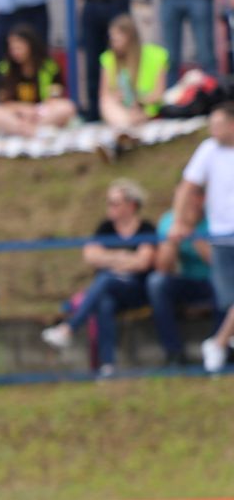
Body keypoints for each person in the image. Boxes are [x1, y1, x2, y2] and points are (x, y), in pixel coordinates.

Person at [40, 180, 158, 375]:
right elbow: (90, 256)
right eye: (108, 202)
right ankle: (108, 366)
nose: (109, 207)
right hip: (112, 290)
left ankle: (69, 328)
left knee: (106, 279)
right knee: (104, 302)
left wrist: (108, 259)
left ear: (131, 205)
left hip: (136, 289)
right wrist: (122, 257)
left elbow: (143, 262)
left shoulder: (145, 228)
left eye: (114, 203)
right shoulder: (105, 227)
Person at [170, 103, 234, 368]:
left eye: (218, 125)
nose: (213, 131)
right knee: (227, 298)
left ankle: (218, 343)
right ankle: (222, 343)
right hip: (221, 236)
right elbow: (187, 186)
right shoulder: (208, 150)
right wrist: (178, 221)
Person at [148, 204, 217, 367]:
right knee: (156, 283)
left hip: (214, 281)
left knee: (224, 286)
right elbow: (162, 267)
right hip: (186, 281)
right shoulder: (169, 220)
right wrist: (172, 241)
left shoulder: (216, 219)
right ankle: (174, 354)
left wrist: (193, 235)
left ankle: (220, 348)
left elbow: (220, 264)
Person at [71, 0, 134, 117]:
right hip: (92, 3)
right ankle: (94, 113)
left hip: (117, 1)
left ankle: (125, 106)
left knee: (121, 56)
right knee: (92, 60)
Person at [0, 26, 77, 135]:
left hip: (41, 112)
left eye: (19, 47)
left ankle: (26, 130)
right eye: (13, 48)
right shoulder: (5, 68)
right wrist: (23, 109)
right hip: (15, 114)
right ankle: (28, 130)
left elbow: (55, 97)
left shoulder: (49, 67)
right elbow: (4, 101)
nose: (16, 52)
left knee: (67, 107)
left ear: (30, 45)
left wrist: (35, 111)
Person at [98, 15, 170, 133]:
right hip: (120, 110)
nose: (113, 44)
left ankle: (126, 129)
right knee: (108, 103)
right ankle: (126, 127)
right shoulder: (109, 59)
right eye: (112, 39)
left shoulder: (156, 56)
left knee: (130, 114)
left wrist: (138, 100)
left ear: (129, 38)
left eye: (117, 39)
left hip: (145, 110)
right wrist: (117, 97)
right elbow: (105, 95)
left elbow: (158, 95)